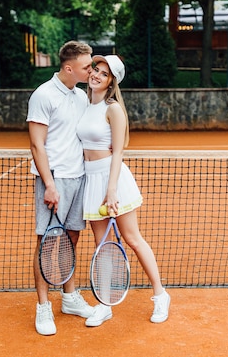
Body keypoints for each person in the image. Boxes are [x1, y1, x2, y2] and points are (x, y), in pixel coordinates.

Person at [77, 54, 171, 327]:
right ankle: (104, 305)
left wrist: (112, 189)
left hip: (112, 179)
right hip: (91, 180)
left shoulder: (113, 108)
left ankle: (160, 295)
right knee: (102, 246)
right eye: (96, 69)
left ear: (111, 82)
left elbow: (118, 151)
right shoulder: (84, 104)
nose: (96, 74)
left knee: (132, 238)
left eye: (104, 73)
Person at [26, 40, 95, 336]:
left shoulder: (81, 96)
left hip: (79, 177)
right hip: (53, 179)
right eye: (86, 66)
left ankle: (69, 297)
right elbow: (36, 144)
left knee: (72, 240)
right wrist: (50, 185)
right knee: (47, 244)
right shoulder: (43, 95)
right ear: (69, 68)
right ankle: (43, 306)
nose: (90, 70)